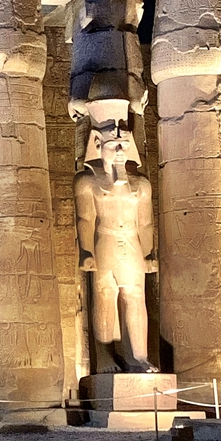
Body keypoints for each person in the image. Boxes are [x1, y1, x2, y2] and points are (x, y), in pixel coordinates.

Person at [73, 128, 157, 374]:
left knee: (135, 297)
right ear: (97, 144)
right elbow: (85, 218)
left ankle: (138, 356)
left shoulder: (141, 185)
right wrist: (86, 250)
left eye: (124, 144)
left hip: (131, 241)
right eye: (113, 145)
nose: (120, 151)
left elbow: (145, 223)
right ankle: (104, 356)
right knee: (104, 294)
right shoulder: (87, 181)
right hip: (105, 240)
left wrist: (149, 252)